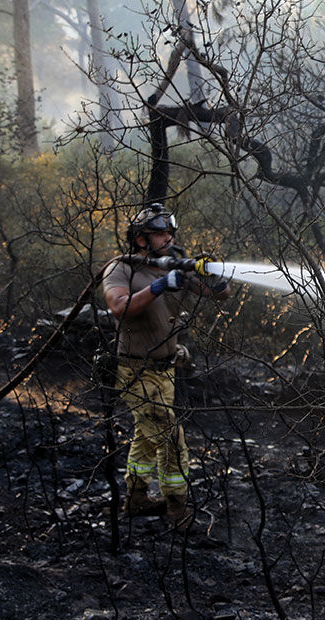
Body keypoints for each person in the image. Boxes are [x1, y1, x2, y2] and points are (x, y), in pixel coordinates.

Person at [101, 203, 230, 530]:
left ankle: (135, 499)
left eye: (170, 232)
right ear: (141, 239)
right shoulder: (121, 268)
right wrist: (158, 286)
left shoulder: (175, 267)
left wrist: (209, 272)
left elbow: (221, 294)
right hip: (134, 371)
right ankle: (177, 510)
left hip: (167, 369)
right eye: (160, 232)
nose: (169, 237)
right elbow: (119, 307)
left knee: (147, 437)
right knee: (171, 437)